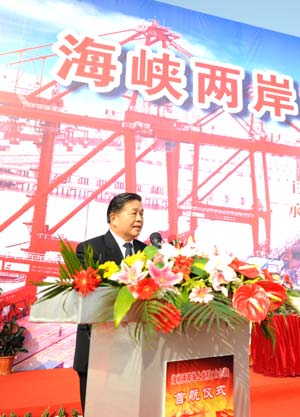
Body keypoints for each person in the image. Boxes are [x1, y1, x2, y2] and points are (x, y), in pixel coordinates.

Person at [73, 192, 147, 414]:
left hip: (137, 351)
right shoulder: (89, 249)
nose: (140, 219)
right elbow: (88, 294)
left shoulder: (148, 252)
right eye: (134, 213)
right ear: (113, 217)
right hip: (99, 349)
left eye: (142, 214)